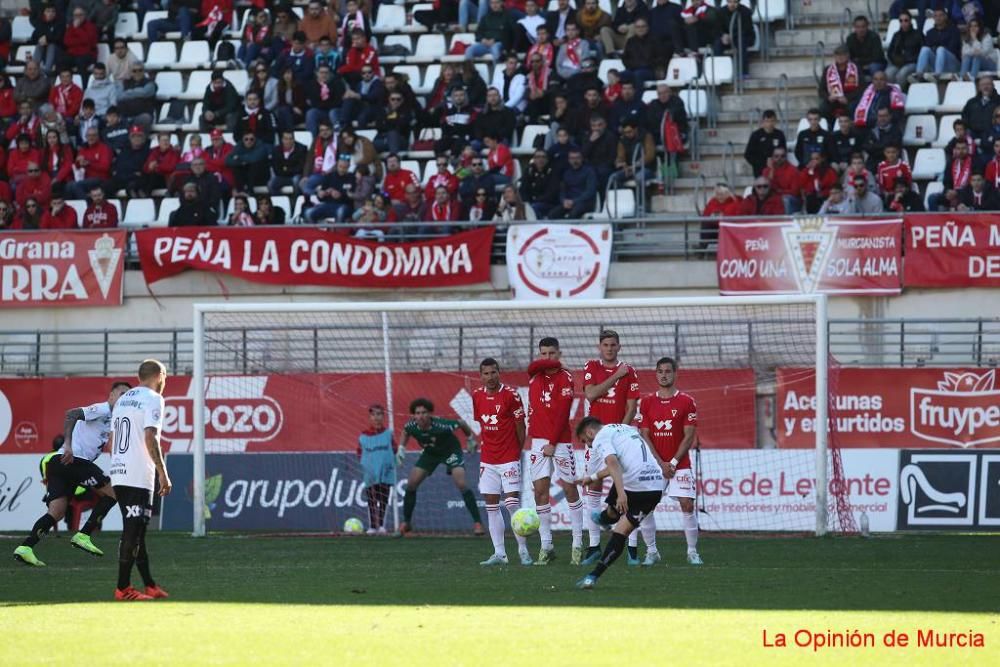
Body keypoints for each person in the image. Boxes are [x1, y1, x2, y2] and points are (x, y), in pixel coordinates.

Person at [13, 382, 132, 568]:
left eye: (129, 395)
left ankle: (26, 548)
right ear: (111, 396)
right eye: (122, 393)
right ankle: (83, 535)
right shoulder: (103, 409)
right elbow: (72, 414)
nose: (125, 397)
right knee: (113, 493)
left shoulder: (116, 419)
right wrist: (68, 444)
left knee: (57, 512)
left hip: (62, 464)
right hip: (73, 460)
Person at [574, 416, 666, 589]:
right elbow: (619, 464)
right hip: (654, 487)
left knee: (614, 517)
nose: (588, 445)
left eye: (585, 441)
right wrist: (592, 477)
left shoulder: (601, 437)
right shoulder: (625, 428)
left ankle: (605, 519)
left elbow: (613, 463)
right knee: (620, 533)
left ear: (590, 432)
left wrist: (622, 493)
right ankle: (592, 577)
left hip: (635, 485)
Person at [107, 359, 171, 601]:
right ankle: (123, 588)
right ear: (158, 375)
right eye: (165, 376)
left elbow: (112, 443)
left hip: (120, 473)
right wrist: (162, 471)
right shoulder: (154, 399)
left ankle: (150, 585)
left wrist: (118, 467)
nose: (165, 381)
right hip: (137, 474)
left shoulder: (123, 399)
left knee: (137, 532)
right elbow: (150, 437)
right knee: (133, 532)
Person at [580, 329, 643, 565]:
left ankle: (632, 549)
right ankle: (594, 546)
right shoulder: (592, 367)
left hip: (621, 439)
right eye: (605, 344)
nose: (609, 348)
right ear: (600, 347)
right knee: (593, 488)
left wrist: (620, 434)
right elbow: (591, 394)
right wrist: (616, 375)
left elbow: (631, 408)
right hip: (596, 440)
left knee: (629, 492)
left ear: (619, 347)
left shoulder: (631, 371)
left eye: (613, 345)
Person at [636, 356, 703, 566]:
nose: (664, 375)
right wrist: (660, 462)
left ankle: (692, 552)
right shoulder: (646, 401)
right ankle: (652, 551)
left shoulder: (686, 401)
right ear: (655, 374)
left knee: (687, 504)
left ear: (675, 374)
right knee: (645, 508)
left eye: (668, 371)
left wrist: (673, 462)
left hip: (680, 464)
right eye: (660, 371)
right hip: (654, 465)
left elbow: (689, 436)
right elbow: (644, 435)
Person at [524, 337, 584, 565]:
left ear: (559, 353)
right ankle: (546, 546)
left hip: (559, 441)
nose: (547, 358)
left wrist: (552, 441)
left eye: (552, 353)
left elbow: (563, 414)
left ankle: (577, 545)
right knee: (540, 492)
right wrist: (551, 363)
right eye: (543, 354)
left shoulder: (565, 378)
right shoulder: (535, 376)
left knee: (569, 490)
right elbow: (531, 367)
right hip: (538, 442)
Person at [472, 358, 530, 566]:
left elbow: (520, 426)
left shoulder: (511, 395)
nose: (490, 377)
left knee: (512, 504)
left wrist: (516, 452)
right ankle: (500, 554)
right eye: (486, 374)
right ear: (481, 376)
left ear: (499, 373)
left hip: (508, 458)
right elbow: (482, 424)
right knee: (491, 506)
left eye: (493, 372)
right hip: (488, 459)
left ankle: (523, 551)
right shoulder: (476, 396)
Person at [396, 398, 483, 536]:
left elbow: (461, 423)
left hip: (450, 451)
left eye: (424, 412)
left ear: (430, 413)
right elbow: (405, 432)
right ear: (414, 415)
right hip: (430, 454)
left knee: (461, 483)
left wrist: (470, 438)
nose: (421, 416)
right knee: (412, 484)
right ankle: (406, 524)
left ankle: (478, 523)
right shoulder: (411, 426)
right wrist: (401, 448)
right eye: (417, 413)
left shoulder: (441, 425)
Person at [547, 148, 596, 219]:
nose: (575, 160)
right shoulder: (567, 173)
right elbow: (563, 190)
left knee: (573, 214)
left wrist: (574, 201)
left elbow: (590, 192)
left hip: (585, 202)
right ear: (569, 160)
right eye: (572, 158)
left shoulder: (589, 172)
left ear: (581, 158)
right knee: (552, 214)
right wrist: (563, 200)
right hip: (569, 202)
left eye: (577, 158)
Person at [915, 8, 961, 79]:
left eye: (940, 15)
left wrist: (937, 47)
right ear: (933, 18)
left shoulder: (954, 31)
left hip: (952, 63)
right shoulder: (930, 32)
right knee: (925, 49)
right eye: (935, 16)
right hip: (937, 62)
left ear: (945, 17)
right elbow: (928, 47)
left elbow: (952, 49)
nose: (938, 18)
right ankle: (918, 74)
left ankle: (937, 76)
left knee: (941, 49)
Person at [819, 46, 860, 123]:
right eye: (837, 55)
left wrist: (847, 98)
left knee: (852, 107)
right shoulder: (828, 69)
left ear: (847, 56)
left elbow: (861, 88)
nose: (840, 57)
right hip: (833, 100)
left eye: (842, 55)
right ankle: (829, 130)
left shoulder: (855, 68)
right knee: (823, 109)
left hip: (849, 99)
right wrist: (828, 97)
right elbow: (821, 90)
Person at [744, 110, 786, 177]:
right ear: (762, 122)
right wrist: (762, 162)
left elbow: (784, 151)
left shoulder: (779, 134)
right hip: (760, 171)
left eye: (772, 121)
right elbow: (748, 155)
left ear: (775, 121)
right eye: (767, 121)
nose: (769, 124)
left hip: (777, 170)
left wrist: (776, 161)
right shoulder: (756, 135)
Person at [884, 11, 923, 86]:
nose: (903, 23)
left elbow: (921, 53)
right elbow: (890, 52)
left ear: (910, 21)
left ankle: (899, 95)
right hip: (897, 63)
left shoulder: (918, 34)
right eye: (901, 21)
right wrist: (895, 59)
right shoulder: (897, 35)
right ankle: (891, 95)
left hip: (912, 63)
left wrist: (907, 59)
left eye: (906, 20)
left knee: (901, 74)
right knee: (888, 74)